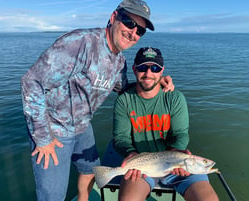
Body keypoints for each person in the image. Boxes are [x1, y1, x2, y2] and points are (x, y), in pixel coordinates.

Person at [21, 1, 174, 201]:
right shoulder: (81, 43)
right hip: (53, 130)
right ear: (113, 18)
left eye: (140, 31)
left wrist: (153, 81)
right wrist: (43, 138)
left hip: (83, 127)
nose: (133, 32)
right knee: (53, 196)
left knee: (89, 171)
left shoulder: (119, 62)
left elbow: (124, 89)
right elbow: (32, 82)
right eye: (128, 22)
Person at [113, 47, 219, 201]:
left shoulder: (175, 98)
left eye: (154, 68)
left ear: (162, 71)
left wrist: (176, 151)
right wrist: (131, 154)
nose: (148, 74)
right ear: (135, 69)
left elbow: (181, 134)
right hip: (142, 168)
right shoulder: (124, 100)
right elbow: (121, 138)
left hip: (177, 166)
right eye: (143, 68)